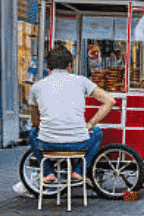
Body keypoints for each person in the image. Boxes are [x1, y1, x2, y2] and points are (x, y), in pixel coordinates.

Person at [28, 45, 115, 184]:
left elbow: (35, 121)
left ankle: (48, 172)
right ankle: (78, 170)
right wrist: (91, 124)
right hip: (78, 144)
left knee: (32, 133)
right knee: (97, 132)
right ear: (69, 65)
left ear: (48, 67)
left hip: (48, 145)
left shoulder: (36, 87)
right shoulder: (82, 81)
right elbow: (110, 101)